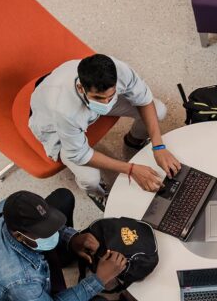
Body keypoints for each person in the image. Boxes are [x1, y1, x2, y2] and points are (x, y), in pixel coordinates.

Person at [28, 54, 182, 209]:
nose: (106, 103)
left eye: (111, 95)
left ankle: (133, 141)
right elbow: (80, 155)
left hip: (78, 100)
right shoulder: (64, 110)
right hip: (52, 123)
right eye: (99, 98)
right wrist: (131, 169)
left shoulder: (119, 70)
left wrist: (158, 146)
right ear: (81, 88)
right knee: (90, 179)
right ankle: (99, 194)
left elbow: (144, 100)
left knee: (159, 110)